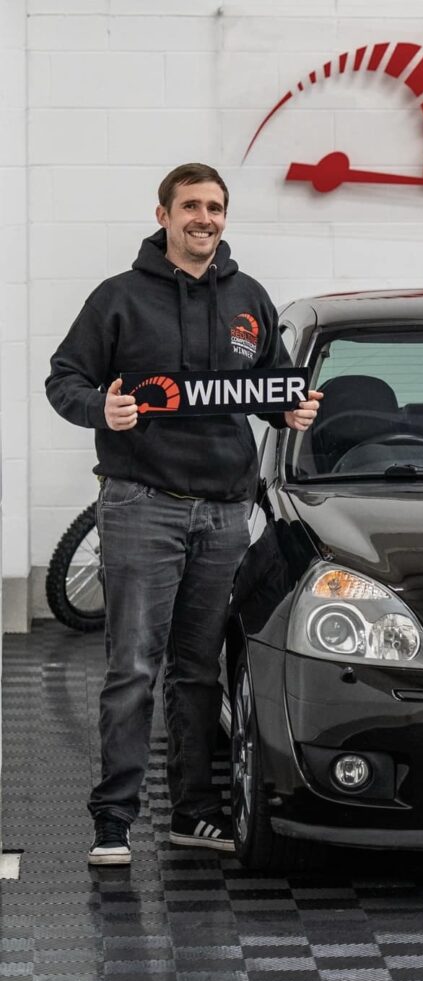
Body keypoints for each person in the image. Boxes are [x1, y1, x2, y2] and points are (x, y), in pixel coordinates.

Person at [45, 163, 321, 867]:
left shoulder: (249, 298)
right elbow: (64, 378)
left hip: (224, 512)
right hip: (142, 504)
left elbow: (269, 386)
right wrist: (100, 407)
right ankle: (114, 820)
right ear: (163, 214)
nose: (205, 218)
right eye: (191, 206)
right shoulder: (118, 298)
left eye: (216, 207)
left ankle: (193, 813)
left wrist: (288, 410)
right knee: (134, 667)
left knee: (198, 670)